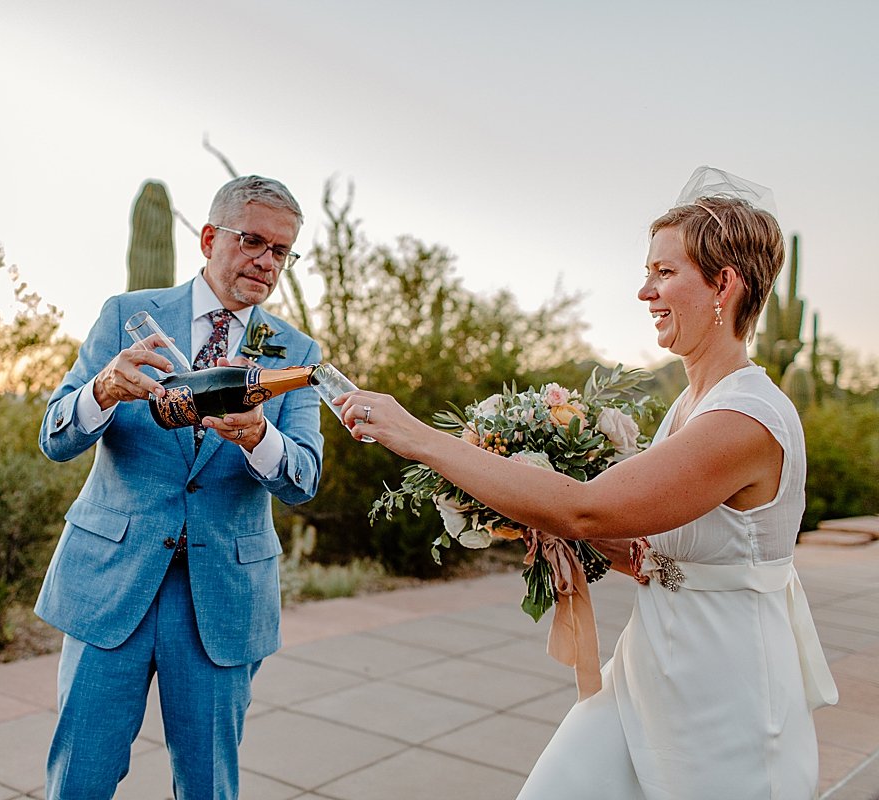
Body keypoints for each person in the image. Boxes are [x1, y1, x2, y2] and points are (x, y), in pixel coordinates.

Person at [336, 168, 838, 799]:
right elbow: (672, 544)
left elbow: (588, 509)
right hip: (653, 663)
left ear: (725, 283)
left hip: (723, 685)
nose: (644, 291)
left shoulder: (744, 418)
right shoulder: (693, 404)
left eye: (664, 272)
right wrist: (626, 553)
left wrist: (417, 437)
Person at [35, 175, 323, 799]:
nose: (266, 262)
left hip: (221, 597)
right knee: (79, 779)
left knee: (208, 786)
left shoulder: (296, 352)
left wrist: (258, 439)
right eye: (253, 242)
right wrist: (104, 389)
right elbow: (54, 437)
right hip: (110, 582)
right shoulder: (123, 316)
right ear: (210, 237)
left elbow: (305, 478)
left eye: (282, 252)